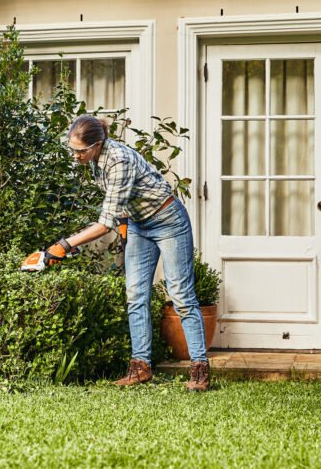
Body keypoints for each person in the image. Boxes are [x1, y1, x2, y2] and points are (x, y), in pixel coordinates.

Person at [33, 114, 210, 392]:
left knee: (181, 295)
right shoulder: (96, 160)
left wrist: (63, 245)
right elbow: (122, 199)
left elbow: (105, 224)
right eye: (72, 150)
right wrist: (127, 225)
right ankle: (140, 368)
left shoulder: (118, 160)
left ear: (97, 144)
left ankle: (200, 370)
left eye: (80, 151)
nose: (76, 156)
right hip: (140, 224)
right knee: (135, 294)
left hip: (168, 221)